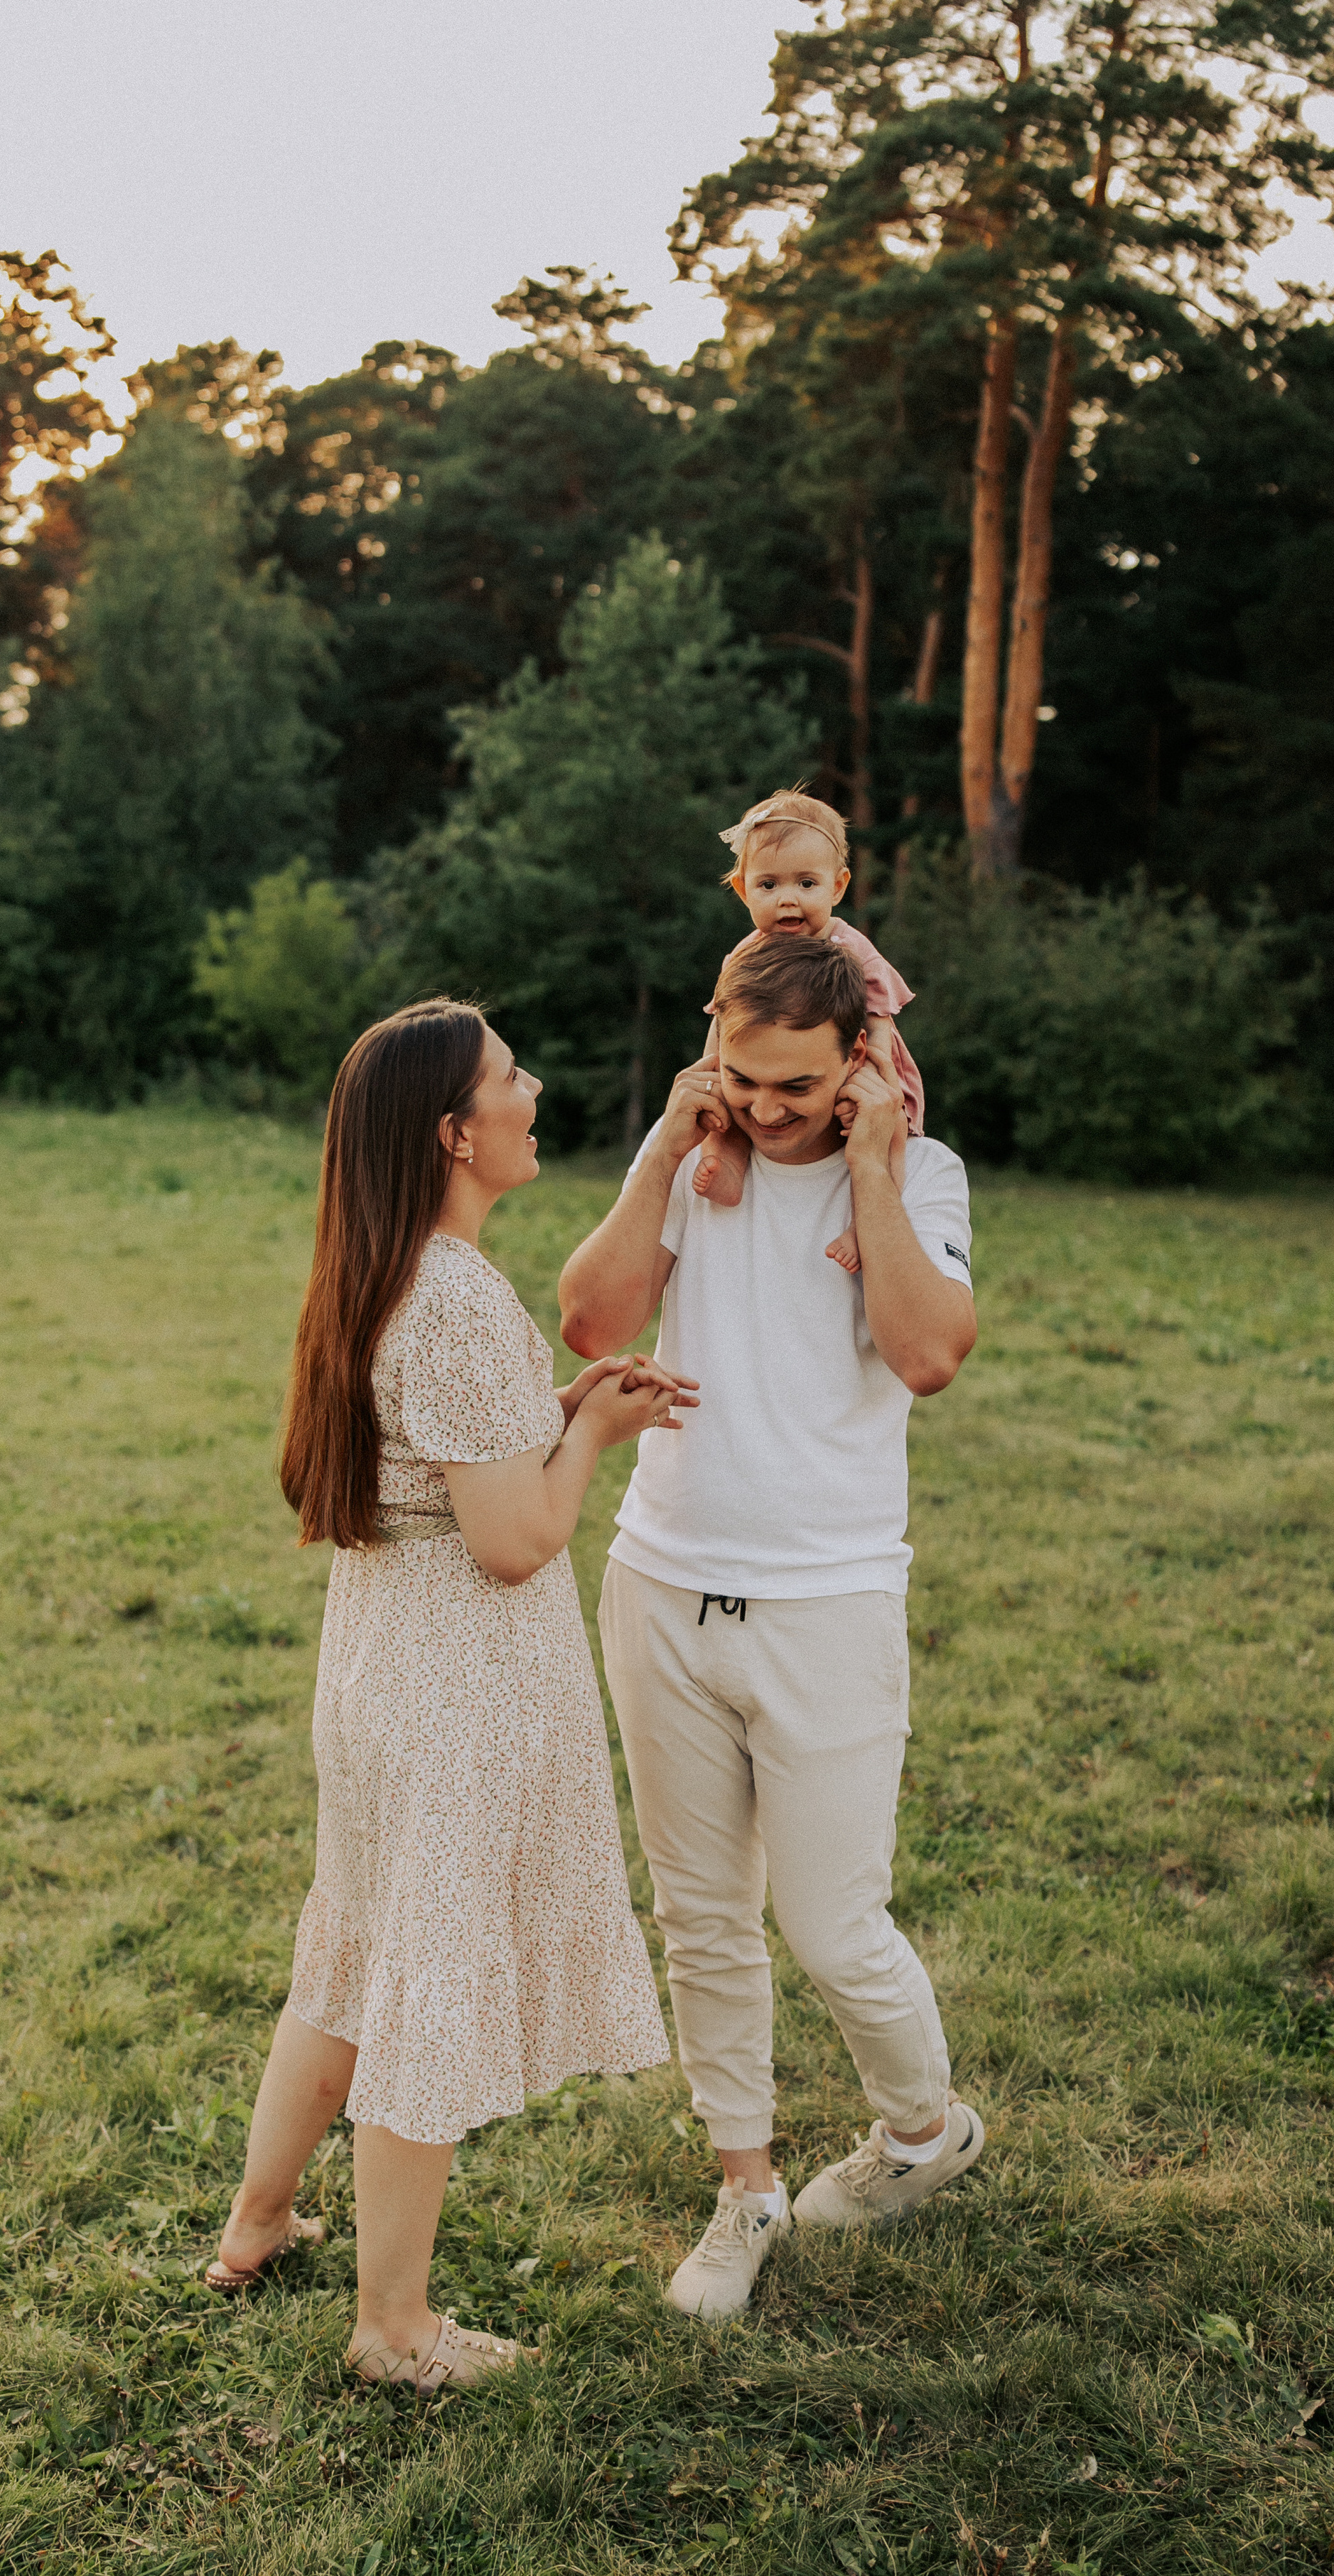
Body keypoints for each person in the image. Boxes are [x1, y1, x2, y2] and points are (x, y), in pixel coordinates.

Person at [207, 999, 676, 2391]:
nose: (534, 1091)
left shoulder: (381, 1269)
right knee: (421, 1981)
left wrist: (554, 1412)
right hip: (450, 1692)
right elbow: (515, 1540)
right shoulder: (458, 1296)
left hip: (372, 1669)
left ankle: (255, 2222)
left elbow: (448, 1474)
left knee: (350, 1953)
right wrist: (591, 1429)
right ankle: (393, 2327)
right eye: (508, 1079)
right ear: (454, 1133)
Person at [558, 930, 982, 2324]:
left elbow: (924, 1354)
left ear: (858, 1059)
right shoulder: (694, 1163)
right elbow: (588, 1318)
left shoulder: (916, 1177)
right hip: (661, 1585)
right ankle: (741, 2188)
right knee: (699, 1919)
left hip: (828, 1603)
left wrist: (863, 1167)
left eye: (795, 1083)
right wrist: (652, 1159)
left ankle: (922, 2132)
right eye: (743, 1075)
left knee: (830, 1923)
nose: (765, 1105)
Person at [692, 787, 923, 1276]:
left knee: (884, 1138)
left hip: (859, 1071)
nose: (788, 900)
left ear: (838, 887)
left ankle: (870, 1221)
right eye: (769, 885)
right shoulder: (744, 956)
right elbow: (723, 1023)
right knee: (728, 1107)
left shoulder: (851, 948)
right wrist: (713, 1076)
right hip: (765, 1071)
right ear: (743, 889)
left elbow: (879, 1023)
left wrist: (879, 1086)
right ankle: (726, 1166)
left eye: (806, 884)